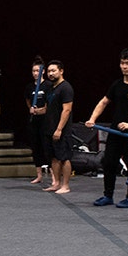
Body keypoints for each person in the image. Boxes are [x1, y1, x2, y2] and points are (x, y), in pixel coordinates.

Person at [85, 47, 128, 208]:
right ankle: (108, 195)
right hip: (116, 133)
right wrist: (92, 119)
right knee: (109, 163)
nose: (124, 67)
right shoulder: (117, 84)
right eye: (122, 63)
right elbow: (104, 102)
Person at [43, 60, 74, 194]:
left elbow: (66, 110)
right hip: (49, 128)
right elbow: (48, 108)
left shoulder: (66, 88)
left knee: (64, 157)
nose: (51, 73)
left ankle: (65, 185)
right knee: (54, 157)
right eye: (49, 71)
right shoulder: (51, 88)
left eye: (53, 70)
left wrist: (59, 129)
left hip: (62, 130)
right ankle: (56, 183)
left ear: (61, 71)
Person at [25, 58, 51, 185]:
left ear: (43, 71)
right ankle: (39, 175)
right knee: (36, 147)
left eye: (37, 70)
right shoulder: (29, 87)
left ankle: (54, 176)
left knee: (47, 147)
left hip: (46, 122)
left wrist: (39, 111)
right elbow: (28, 102)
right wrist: (32, 110)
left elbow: (49, 106)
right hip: (34, 122)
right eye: (33, 71)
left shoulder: (48, 86)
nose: (35, 73)